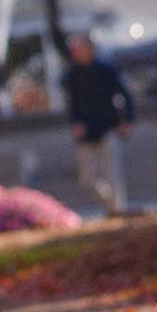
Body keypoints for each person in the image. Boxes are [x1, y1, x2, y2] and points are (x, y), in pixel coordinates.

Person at [53, 32, 137, 214]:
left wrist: (126, 120)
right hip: (86, 133)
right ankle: (111, 203)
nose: (77, 52)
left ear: (91, 49)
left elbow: (125, 95)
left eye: (81, 48)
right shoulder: (72, 75)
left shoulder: (107, 70)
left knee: (112, 173)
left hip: (109, 127)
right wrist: (76, 123)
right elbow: (72, 104)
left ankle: (117, 211)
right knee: (87, 180)